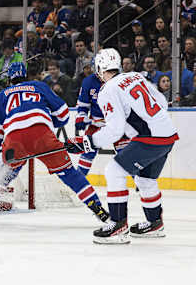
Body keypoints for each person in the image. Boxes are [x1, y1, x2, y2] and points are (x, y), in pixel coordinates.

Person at [0, 62, 109, 223]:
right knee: (69, 173)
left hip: (15, 138)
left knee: (7, 171)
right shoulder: (38, 86)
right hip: (42, 134)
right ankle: (97, 208)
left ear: (9, 78)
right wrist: (48, 123)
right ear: (26, 75)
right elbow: (63, 114)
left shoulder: (2, 95)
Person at [66, 48, 179, 244]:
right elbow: (161, 101)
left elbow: (115, 130)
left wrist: (87, 143)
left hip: (149, 138)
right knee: (146, 179)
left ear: (100, 68)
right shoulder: (135, 76)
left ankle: (118, 225)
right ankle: (155, 223)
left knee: (113, 171)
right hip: (168, 134)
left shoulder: (107, 90)